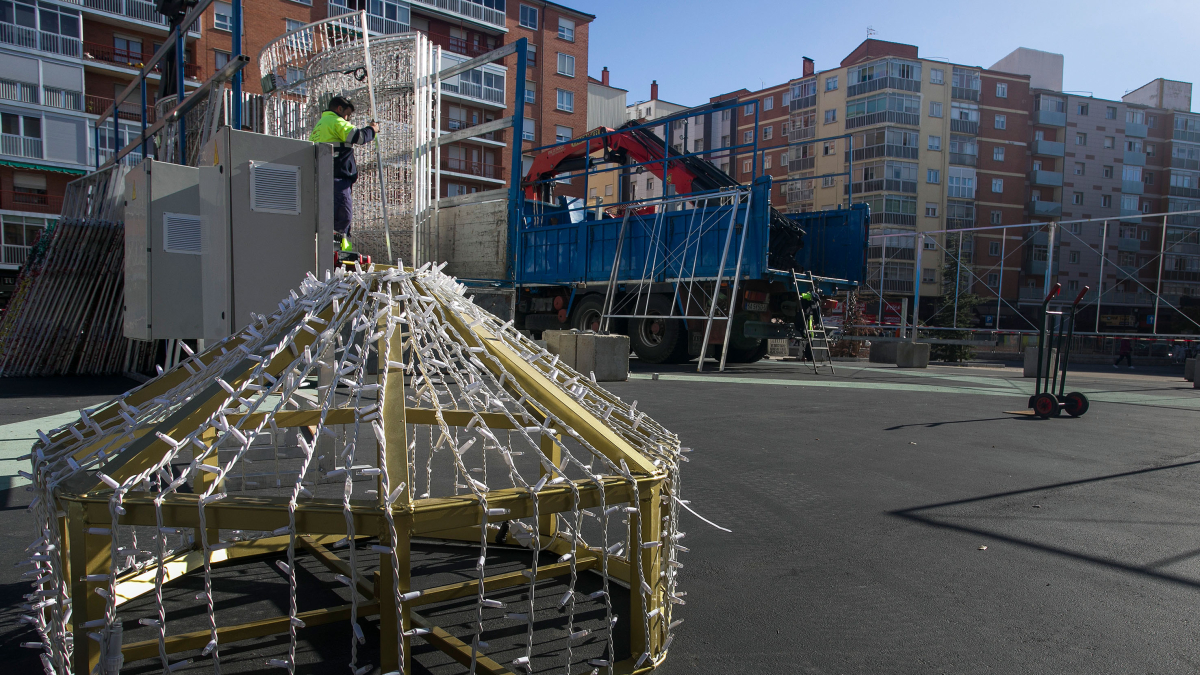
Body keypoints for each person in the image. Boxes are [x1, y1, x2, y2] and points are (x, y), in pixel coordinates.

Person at [309, 96, 379, 251]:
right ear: (339, 109)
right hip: (338, 178)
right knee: (343, 216)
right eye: (347, 114)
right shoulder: (335, 122)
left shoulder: (319, 126)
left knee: (334, 218)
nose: (348, 119)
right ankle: (336, 250)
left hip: (325, 178)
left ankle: (341, 251)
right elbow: (358, 137)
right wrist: (372, 130)